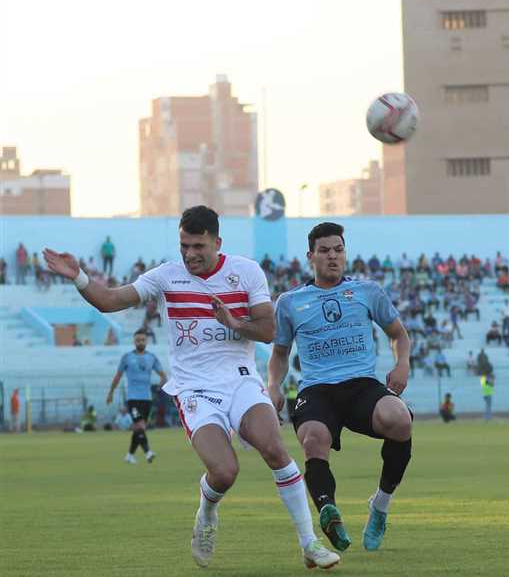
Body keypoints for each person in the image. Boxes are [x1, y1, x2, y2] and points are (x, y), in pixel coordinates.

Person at [43, 205, 339, 570]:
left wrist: (233, 321)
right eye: (184, 245)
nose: (190, 254)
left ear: (217, 242)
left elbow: (267, 330)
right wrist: (79, 277)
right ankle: (207, 513)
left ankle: (309, 543)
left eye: (198, 246)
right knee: (225, 472)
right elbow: (111, 301)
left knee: (275, 448)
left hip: (241, 377)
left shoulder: (245, 272)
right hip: (195, 388)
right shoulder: (167, 276)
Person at [268, 221, 413, 555]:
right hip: (317, 389)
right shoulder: (290, 302)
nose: (333, 256)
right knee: (314, 439)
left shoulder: (368, 292)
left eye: (338, 249)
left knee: (401, 420)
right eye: (325, 250)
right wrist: (273, 384)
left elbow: (398, 334)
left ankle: (380, 505)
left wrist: (402, 363)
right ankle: (327, 511)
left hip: (362, 385)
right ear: (310, 256)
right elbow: (279, 354)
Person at [106, 329, 167, 464]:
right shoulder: (127, 357)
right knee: (139, 425)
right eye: (138, 340)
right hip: (133, 398)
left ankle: (129, 455)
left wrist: (158, 388)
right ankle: (148, 452)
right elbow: (118, 376)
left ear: (146, 341)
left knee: (141, 428)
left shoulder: (152, 357)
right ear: (134, 341)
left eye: (143, 340)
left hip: (147, 398)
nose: (140, 342)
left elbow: (163, 375)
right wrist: (111, 392)